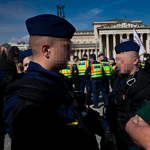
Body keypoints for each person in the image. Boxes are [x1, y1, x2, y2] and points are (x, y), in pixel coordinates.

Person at [3, 14, 116, 150]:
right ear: (46, 50)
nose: (71, 53)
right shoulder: (27, 101)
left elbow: (78, 110)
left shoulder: (58, 83)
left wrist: (104, 126)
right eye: (66, 47)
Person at [105, 41, 150, 150]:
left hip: (135, 140)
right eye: (117, 61)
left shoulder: (145, 82)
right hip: (118, 136)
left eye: (121, 61)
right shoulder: (118, 79)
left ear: (135, 60)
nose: (117, 64)